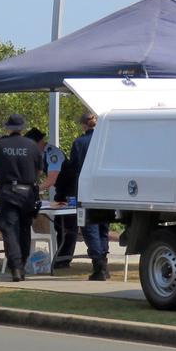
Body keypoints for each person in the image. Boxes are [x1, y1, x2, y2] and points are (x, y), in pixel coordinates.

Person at [0, 114, 43, 282]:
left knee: (10, 231)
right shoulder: (33, 146)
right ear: (23, 128)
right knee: (25, 230)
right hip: (27, 192)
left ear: (8, 128)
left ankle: (16, 268)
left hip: (7, 192)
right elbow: (39, 172)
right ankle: (23, 264)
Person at [25, 127, 76, 268]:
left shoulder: (53, 153)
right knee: (60, 225)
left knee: (69, 226)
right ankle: (61, 257)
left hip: (71, 190)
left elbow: (51, 180)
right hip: (61, 190)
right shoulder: (39, 154)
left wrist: (33, 190)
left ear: (39, 142)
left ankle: (64, 259)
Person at [71, 110, 112, 281]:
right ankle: (104, 263)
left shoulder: (79, 143)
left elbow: (73, 167)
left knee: (90, 228)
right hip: (106, 190)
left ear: (82, 125)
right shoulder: (107, 141)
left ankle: (99, 266)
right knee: (103, 227)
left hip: (86, 190)